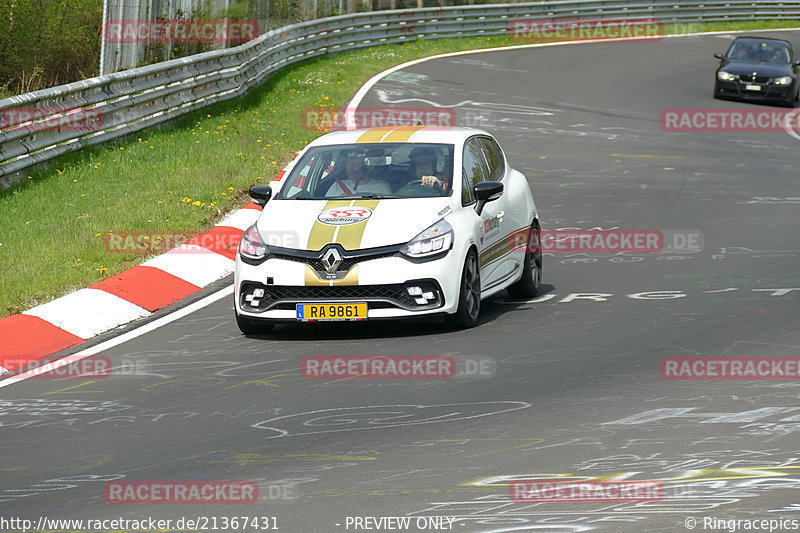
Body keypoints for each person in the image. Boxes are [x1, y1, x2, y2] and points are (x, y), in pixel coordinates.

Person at [325, 150, 392, 196]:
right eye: (349, 165)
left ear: (365, 167)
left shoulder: (382, 188)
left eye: (354, 165)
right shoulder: (337, 185)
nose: (350, 168)